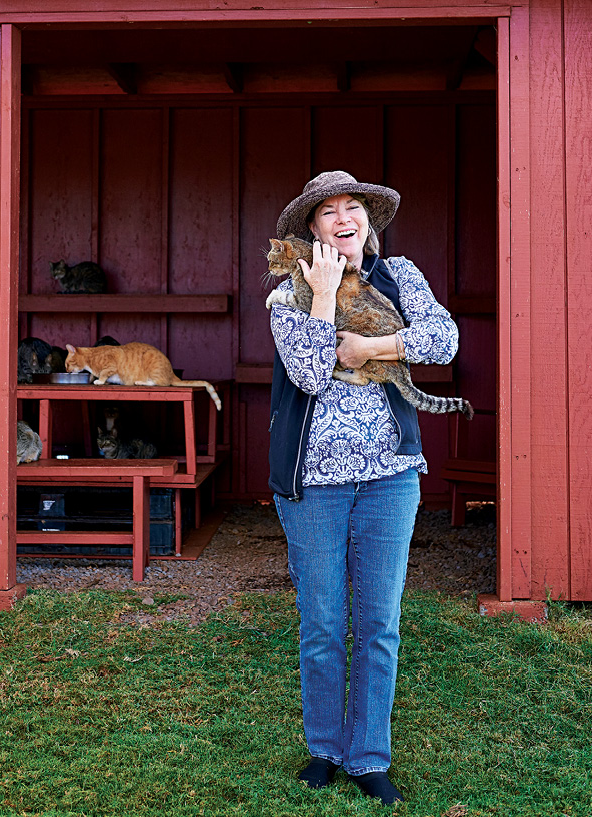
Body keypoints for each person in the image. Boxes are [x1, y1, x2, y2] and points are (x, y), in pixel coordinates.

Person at [268, 171, 459, 805]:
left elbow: (443, 340)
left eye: (354, 208)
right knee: (322, 623)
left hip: (390, 478)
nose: (344, 218)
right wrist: (322, 296)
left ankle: (369, 756)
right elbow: (308, 374)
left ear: (367, 221)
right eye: (329, 212)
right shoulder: (285, 297)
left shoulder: (402, 276)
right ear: (313, 231)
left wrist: (370, 345)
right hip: (312, 484)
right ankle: (325, 748)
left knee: (378, 623)